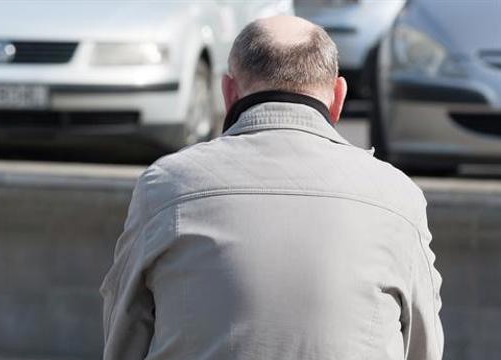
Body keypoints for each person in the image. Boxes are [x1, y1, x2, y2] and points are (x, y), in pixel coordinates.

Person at [100, 15, 443, 360]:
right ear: (338, 98)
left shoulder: (168, 187)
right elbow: (424, 348)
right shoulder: (397, 197)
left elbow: (123, 338)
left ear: (228, 92)